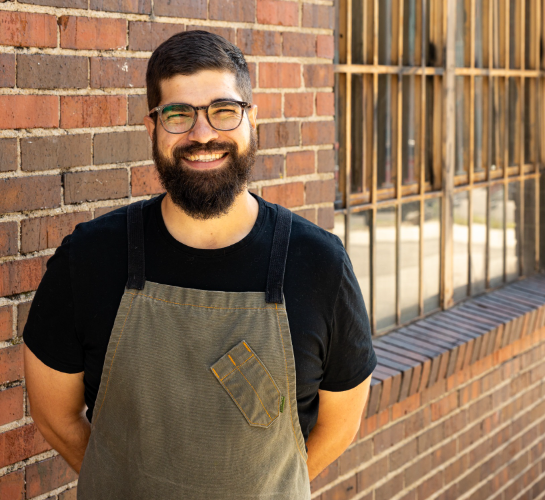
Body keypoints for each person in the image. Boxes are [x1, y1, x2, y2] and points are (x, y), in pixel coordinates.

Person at [23, 30, 377, 499]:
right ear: (152, 130)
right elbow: (56, 417)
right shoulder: (88, 258)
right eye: (178, 115)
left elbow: (339, 427)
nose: (203, 134)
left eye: (223, 110)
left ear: (253, 120)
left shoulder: (320, 266)